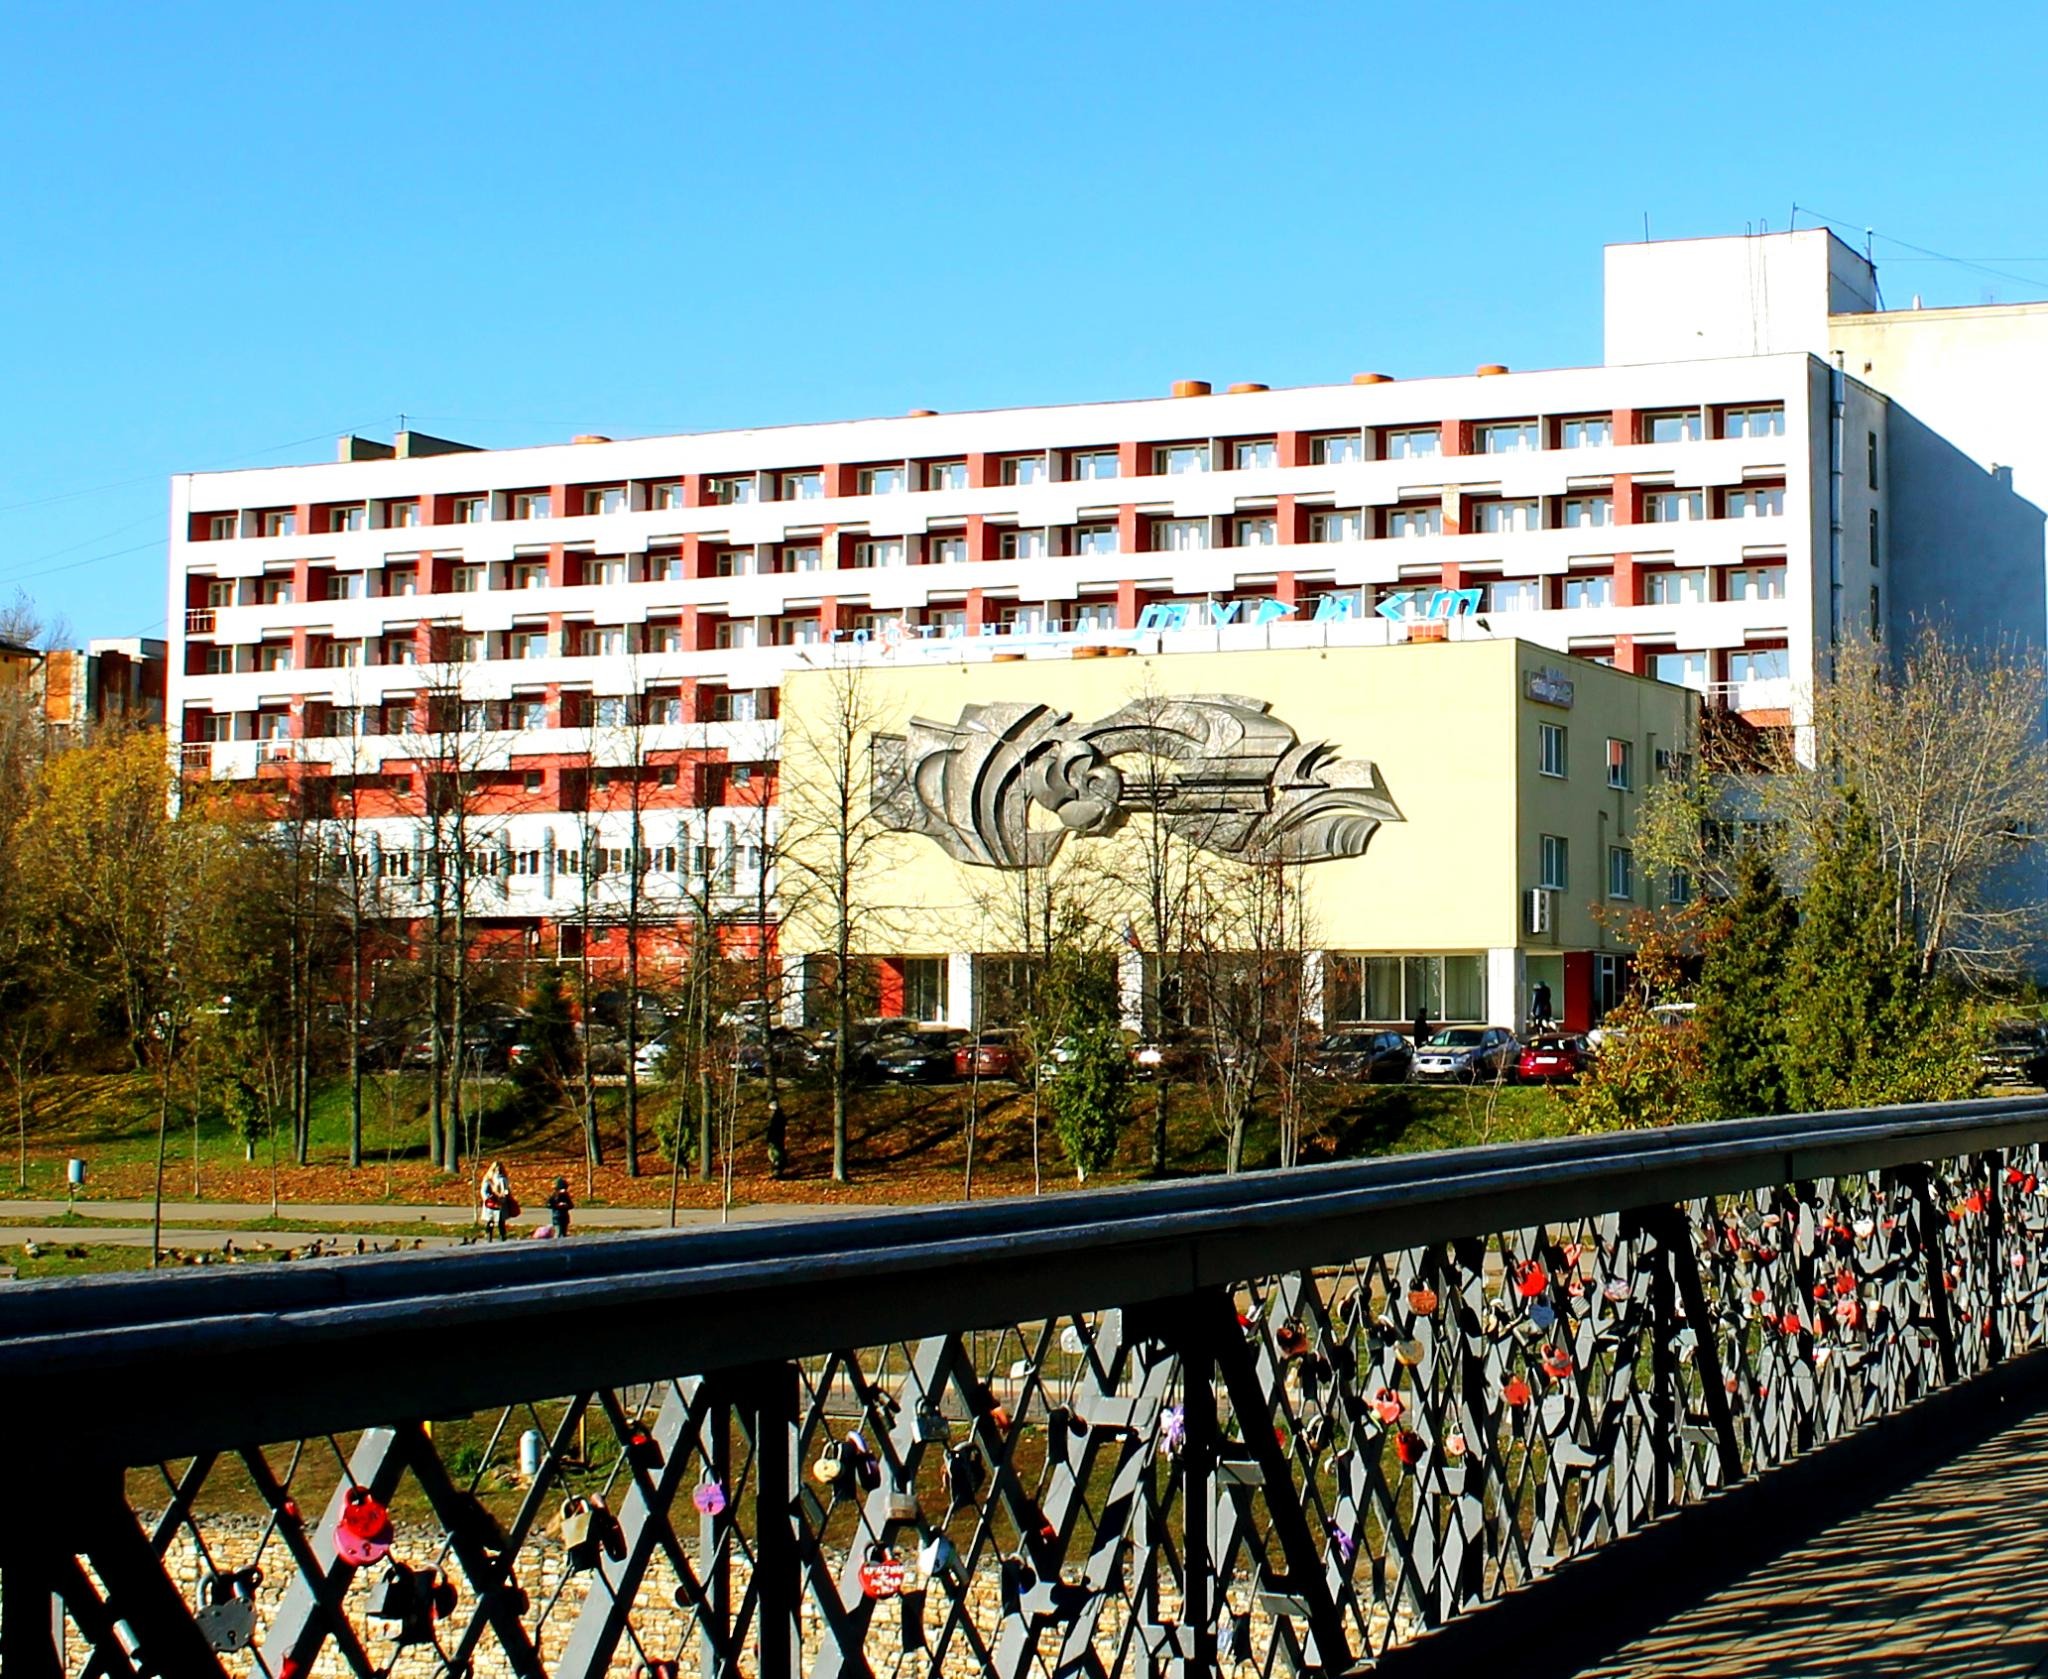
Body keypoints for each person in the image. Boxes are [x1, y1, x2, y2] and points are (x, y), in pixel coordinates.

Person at [479, 1160, 511, 1242]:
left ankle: (502, 1237)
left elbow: (506, 1190)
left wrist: (506, 1195)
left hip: (501, 1203)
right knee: (490, 1221)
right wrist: (489, 1199)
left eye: (499, 1169)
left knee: (501, 1222)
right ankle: (488, 1236)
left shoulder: (504, 1179)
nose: (498, 1171)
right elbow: (483, 1191)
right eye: (496, 1169)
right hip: (491, 1204)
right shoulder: (489, 1179)